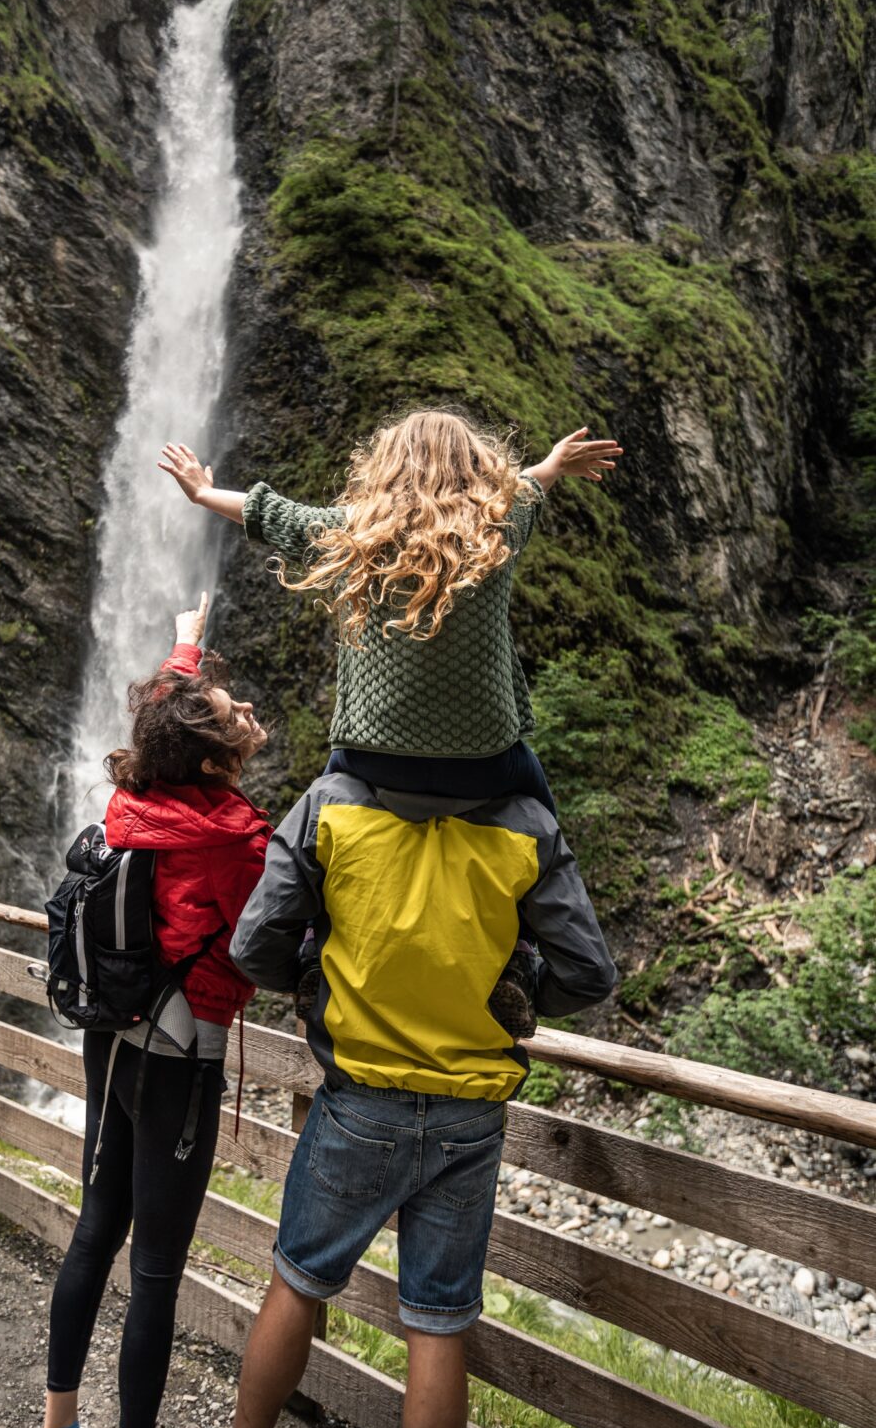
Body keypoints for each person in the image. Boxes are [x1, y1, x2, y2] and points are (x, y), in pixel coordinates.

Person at [197, 768, 617, 1428]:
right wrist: (515, 983)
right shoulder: (525, 821)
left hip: (359, 1098)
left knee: (296, 1282)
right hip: (469, 1114)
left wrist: (322, 978)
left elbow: (254, 942)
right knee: (437, 1320)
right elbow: (589, 971)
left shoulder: (331, 805)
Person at [158, 409, 621, 1025]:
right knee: (543, 825)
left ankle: (317, 954)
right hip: (484, 766)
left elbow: (270, 514)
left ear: (385, 468)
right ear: (476, 467)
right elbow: (528, 488)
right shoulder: (497, 529)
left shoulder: (353, 534)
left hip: (371, 763)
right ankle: (517, 958)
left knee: (315, 837)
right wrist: (555, 465)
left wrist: (201, 491)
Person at [21, 596, 271, 1428]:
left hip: (111, 1033)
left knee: (95, 1231)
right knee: (157, 1268)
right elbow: (265, 946)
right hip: (180, 1061)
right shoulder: (238, 840)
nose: (243, 708)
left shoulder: (134, 805)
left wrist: (186, 640)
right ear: (212, 760)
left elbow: (165, 709)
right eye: (229, 708)